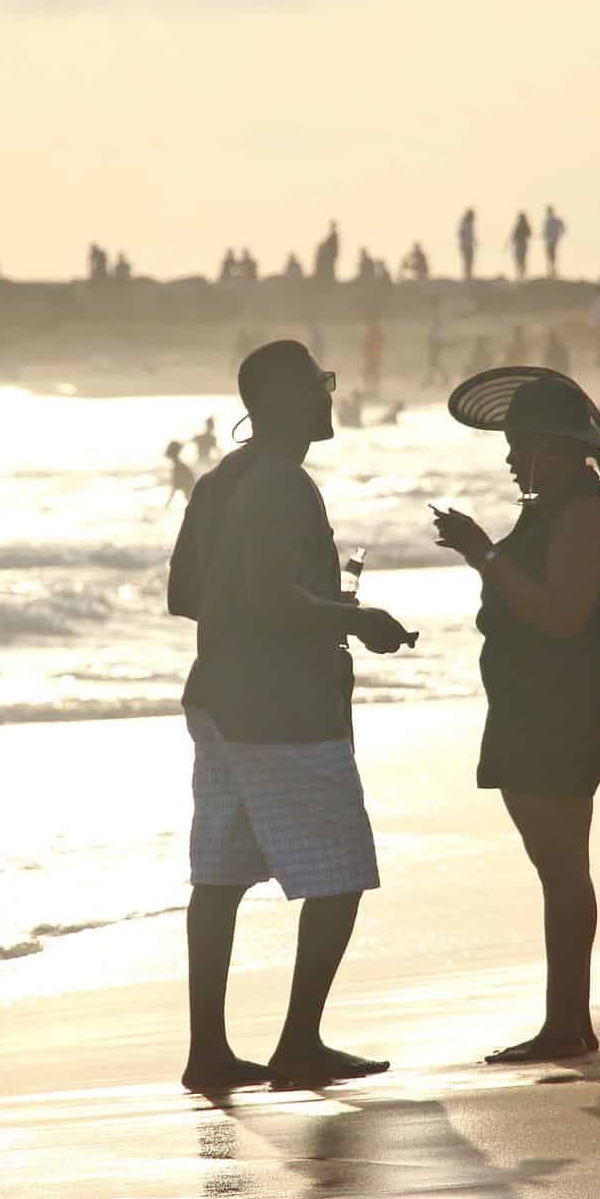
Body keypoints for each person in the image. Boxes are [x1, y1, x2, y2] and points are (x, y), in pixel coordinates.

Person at [167, 340, 416, 1092]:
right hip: (280, 710)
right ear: (280, 402)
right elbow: (270, 597)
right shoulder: (283, 485)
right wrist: (355, 614)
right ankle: (298, 1043)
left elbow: (187, 593)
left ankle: (207, 1051)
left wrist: (298, 608)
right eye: (320, 384)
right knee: (341, 870)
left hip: (219, 699)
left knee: (219, 876)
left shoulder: (223, 479)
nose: (329, 395)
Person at [433, 369, 600, 1062]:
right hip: (538, 699)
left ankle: (566, 1024)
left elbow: (561, 614)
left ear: (553, 446)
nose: (510, 456)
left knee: (561, 868)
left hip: (559, 701)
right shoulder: (555, 503)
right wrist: (486, 554)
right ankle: (570, 1022)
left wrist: (480, 552)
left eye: (519, 443)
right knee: (561, 866)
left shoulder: (582, 511)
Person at [165, 441, 197, 507]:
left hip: (193, 497)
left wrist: (167, 503)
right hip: (193, 497)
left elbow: (175, 486)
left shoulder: (179, 468)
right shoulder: (181, 466)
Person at [543, 205, 567, 278]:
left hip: (553, 240)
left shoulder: (553, 220)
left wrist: (559, 234)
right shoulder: (549, 220)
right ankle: (551, 271)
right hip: (550, 240)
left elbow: (563, 228)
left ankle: (552, 271)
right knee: (551, 255)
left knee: (551, 255)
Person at [509, 212, 533, 282]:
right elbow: (513, 236)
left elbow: (529, 234)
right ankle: (521, 275)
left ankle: (521, 275)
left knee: (520, 260)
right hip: (521, 244)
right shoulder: (522, 226)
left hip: (521, 244)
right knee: (520, 260)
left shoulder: (523, 226)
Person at [458, 208, 477, 282]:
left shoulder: (468, 224)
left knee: (469, 261)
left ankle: (468, 276)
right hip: (466, 245)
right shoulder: (465, 224)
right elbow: (462, 234)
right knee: (467, 261)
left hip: (468, 245)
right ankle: (467, 277)